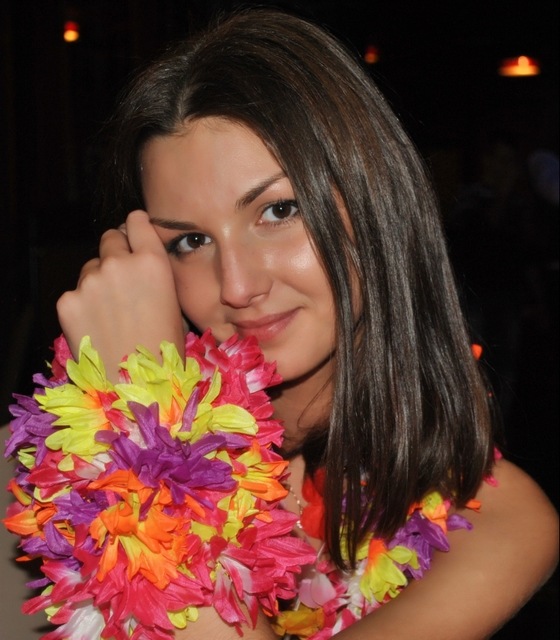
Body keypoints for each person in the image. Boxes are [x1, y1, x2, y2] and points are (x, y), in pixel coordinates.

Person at [53, 8, 557, 639]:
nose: (237, 286)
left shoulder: (496, 520)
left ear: (375, 202)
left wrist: (146, 420)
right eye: (191, 241)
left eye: (278, 210)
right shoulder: (64, 468)